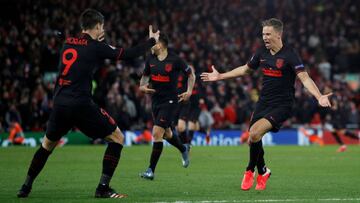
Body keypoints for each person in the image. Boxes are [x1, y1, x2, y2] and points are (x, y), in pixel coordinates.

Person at [17, 8, 160, 198]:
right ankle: (102, 188)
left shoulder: (68, 43)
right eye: (102, 26)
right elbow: (129, 54)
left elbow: (83, 57)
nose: (103, 29)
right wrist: (151, 41)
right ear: (98, 26)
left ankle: (25, 187)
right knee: (117, 138)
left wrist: (98, 45)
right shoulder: (96, 47)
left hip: (60, 104)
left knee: (46, 146)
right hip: (80, 105)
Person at [201, 18, 332, 191]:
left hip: (282, 105)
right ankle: (263, 171)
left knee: (254, 133)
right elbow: (245, 69)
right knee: (253, 139)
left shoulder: (290, 55)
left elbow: (304, 78)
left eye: (268, 34)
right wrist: (220, 76)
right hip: (263, 103)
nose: (264, 37)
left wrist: (319, 96)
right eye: (263, 34)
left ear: (279, 34)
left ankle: (249, 171)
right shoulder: (261, 53)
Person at [139, 33, 195, 180]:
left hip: (170, 102)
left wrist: (189, 91)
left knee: (157, 133)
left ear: (161, 45)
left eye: (154, 42)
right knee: (167, 134)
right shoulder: (150, 59)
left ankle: (150, 170)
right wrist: (142, 87)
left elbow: (191, 74)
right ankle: (183, 148)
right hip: (156, 101)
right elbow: (145, 76)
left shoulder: (175, 60)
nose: (151, 44)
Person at [175, 67, 203, 146]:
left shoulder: (196, 80)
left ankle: (187, 145)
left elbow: (201, 92)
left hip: (194, 106)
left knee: (189, 126)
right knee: (194, 127)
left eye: (192, 69)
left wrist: (201, 99)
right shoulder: (180, 77)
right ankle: (184, 146)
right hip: (177, 104)